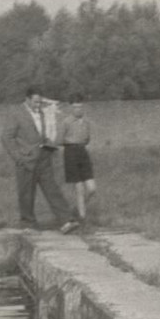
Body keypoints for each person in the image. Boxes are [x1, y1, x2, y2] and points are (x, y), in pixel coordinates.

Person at [1, 87, 78, 233]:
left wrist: (49, 146)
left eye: (40, 102)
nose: (38, 105)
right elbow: (6, 137)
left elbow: (44, 132)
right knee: (26, 194)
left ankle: (66, 221)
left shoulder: (43, 113)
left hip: (43, 157)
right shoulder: (16, 114)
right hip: (26, 160)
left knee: (52, 190)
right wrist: (18, 157)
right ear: (27, 99)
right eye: (35, 102)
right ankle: (28, 224)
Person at [59, 94, 96, 223]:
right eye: (75, 107)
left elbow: (87, 139)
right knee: (79, 187)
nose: (78, 110)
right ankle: (82, 217)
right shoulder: (66, 122)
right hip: (70, 152)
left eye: (80, 107)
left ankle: (78, 208)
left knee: (92, 188)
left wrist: (82, 146)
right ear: (70, 108)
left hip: (82, 152)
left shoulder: (86, 122)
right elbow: (60, 140)